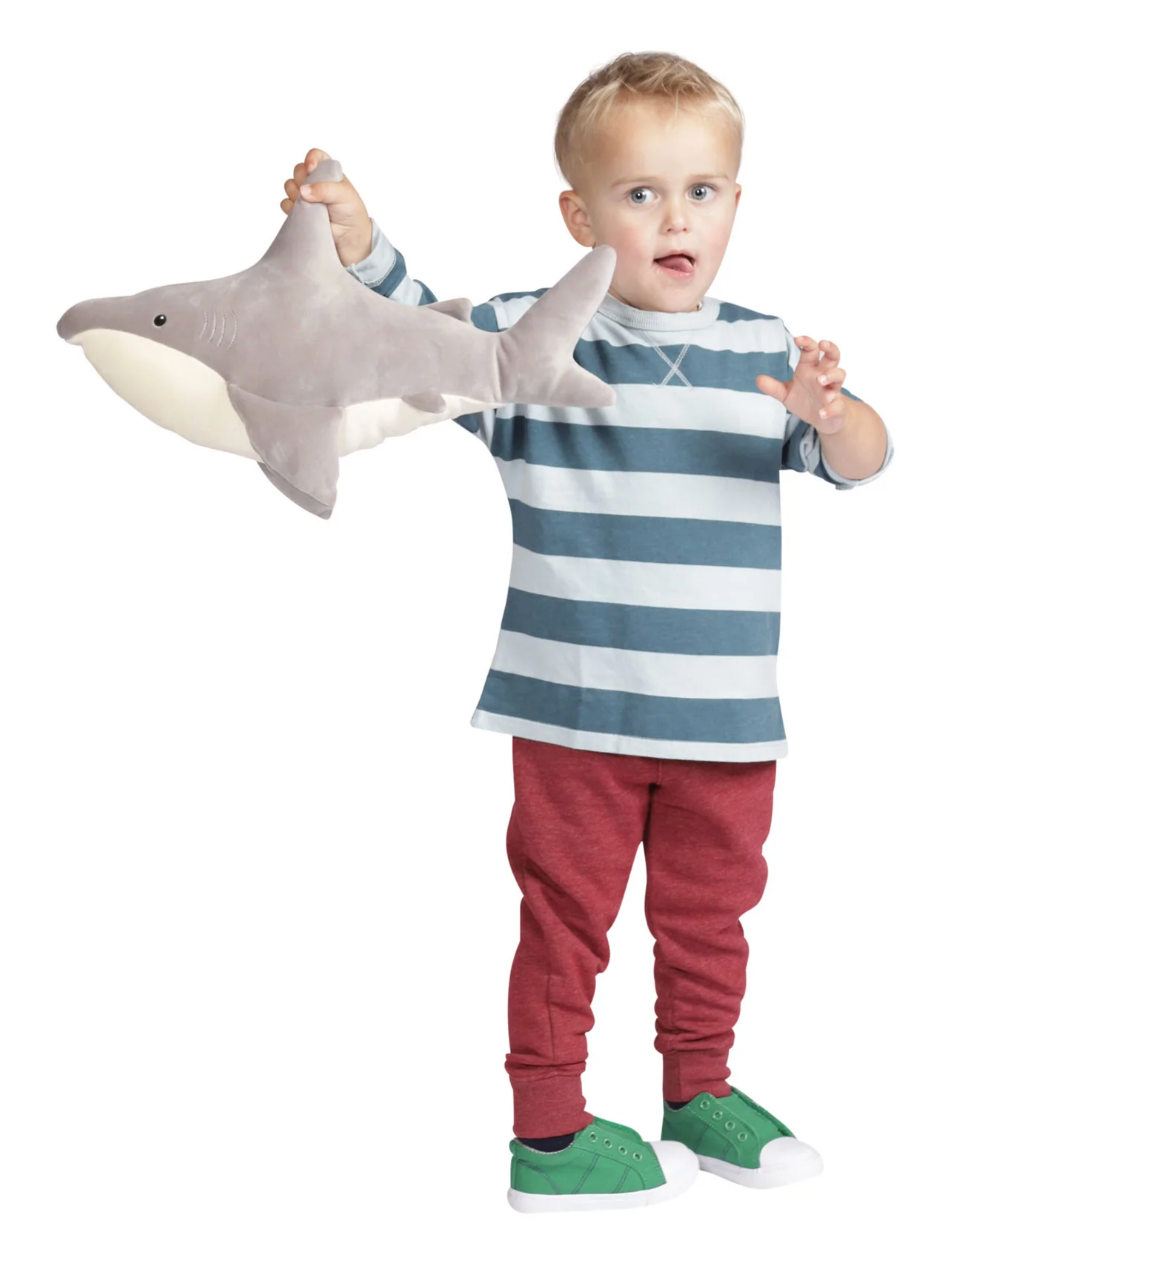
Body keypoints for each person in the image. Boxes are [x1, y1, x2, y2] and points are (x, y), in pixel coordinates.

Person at [281, 50, 893, 1213]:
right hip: (572, 711)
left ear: (736, 202)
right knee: (565, 920)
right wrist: (359, 239)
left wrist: (835, 414)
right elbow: (412, 332)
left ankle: (697, 1090)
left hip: (723, 721)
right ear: (579, 215)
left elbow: (864, 463)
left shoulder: (766, 350)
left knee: (711, 919)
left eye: (701, 190)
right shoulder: (536, 338)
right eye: (640, 193)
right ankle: (550, 1131)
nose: (676, 218)